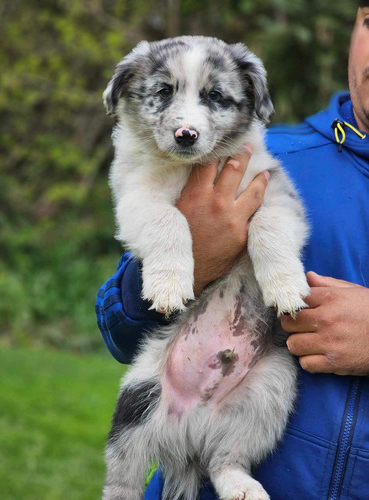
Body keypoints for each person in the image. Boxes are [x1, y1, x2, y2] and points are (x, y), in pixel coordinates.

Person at [96, 3, 369, 498]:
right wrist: (192, 259)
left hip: (258, 411)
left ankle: (228, 464)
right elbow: (121, 328)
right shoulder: (270, 152)